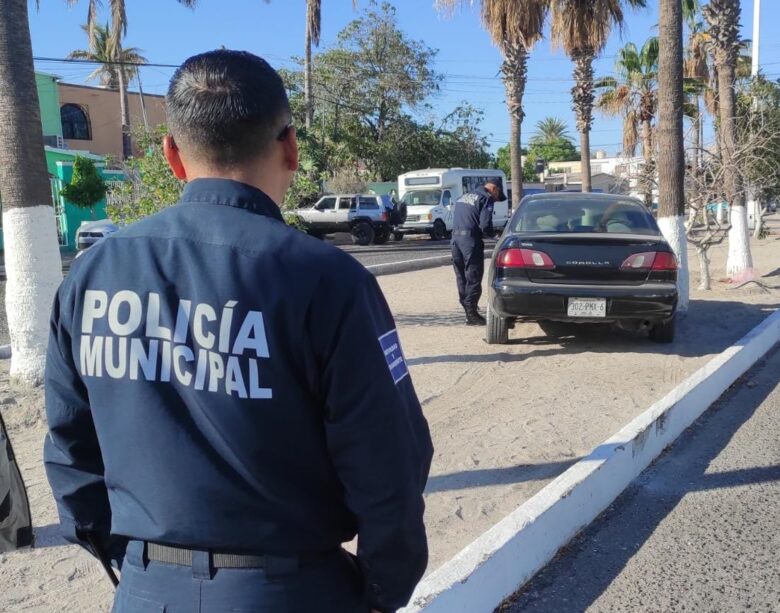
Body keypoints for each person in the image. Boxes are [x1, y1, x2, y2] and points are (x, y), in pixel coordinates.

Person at [43, 50, 433, 613]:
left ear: (172, 155)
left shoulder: (92, 275)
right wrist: (378, 592)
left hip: (149, 590)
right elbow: (389, 463)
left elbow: (69, 449)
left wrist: (136, 566)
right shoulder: (326, 281)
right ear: (291, 147)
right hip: (293, 591)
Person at [450, 178, 505, 326]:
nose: (496, 198)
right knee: (473, 276)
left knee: (461, 276)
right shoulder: (485, 198)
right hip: (470, 241)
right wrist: (495, 236)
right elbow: (485, 225)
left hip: (455, 240)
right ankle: (471, 313)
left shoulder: (463, 197)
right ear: (494, 188)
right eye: (497, 194)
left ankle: (467, 308)